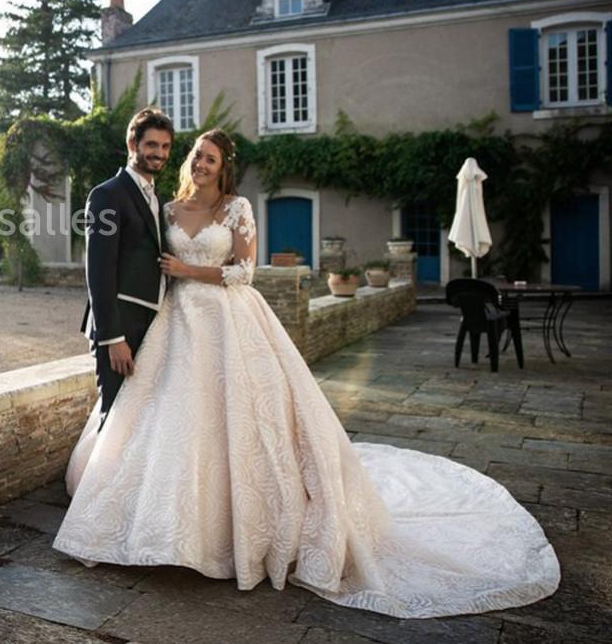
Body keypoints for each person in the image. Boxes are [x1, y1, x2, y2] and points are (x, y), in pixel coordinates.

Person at [54, 128, 560, 618]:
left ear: (223, 167)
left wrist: (189, 271)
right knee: (176, 422)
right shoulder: (164, 207)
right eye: (196, 155)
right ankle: (165, 528)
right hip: (176, 323)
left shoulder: (237, 209)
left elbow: (243, 272)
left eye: (209, 157)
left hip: (230, 321)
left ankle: (237, 528)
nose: (199, 162)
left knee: (244, 420)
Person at [79, 107, 173, 425]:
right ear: (133, 145)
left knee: (143, 421)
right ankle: (101, 477)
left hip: (149, 323)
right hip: (119, 326)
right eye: (151, 146)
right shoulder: (107, 195)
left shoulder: (156, 198)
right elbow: (99, 270)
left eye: (164, 147)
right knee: (116, 415)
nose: (158, 154)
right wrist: (112, 337)